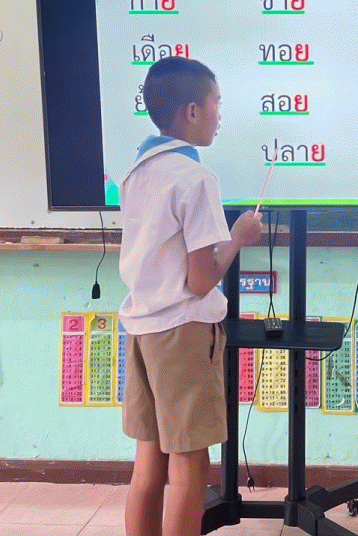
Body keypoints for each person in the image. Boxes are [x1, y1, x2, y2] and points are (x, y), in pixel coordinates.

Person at [119, 57, 263, 536]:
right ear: (193, 111)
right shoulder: (196, 179)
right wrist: (239, 239)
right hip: (182, 334)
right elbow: (202, 281)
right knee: (190, 467)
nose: (220, 115)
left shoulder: (137, 171)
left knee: (148, 464)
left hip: (143, 330)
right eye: (216, 103)